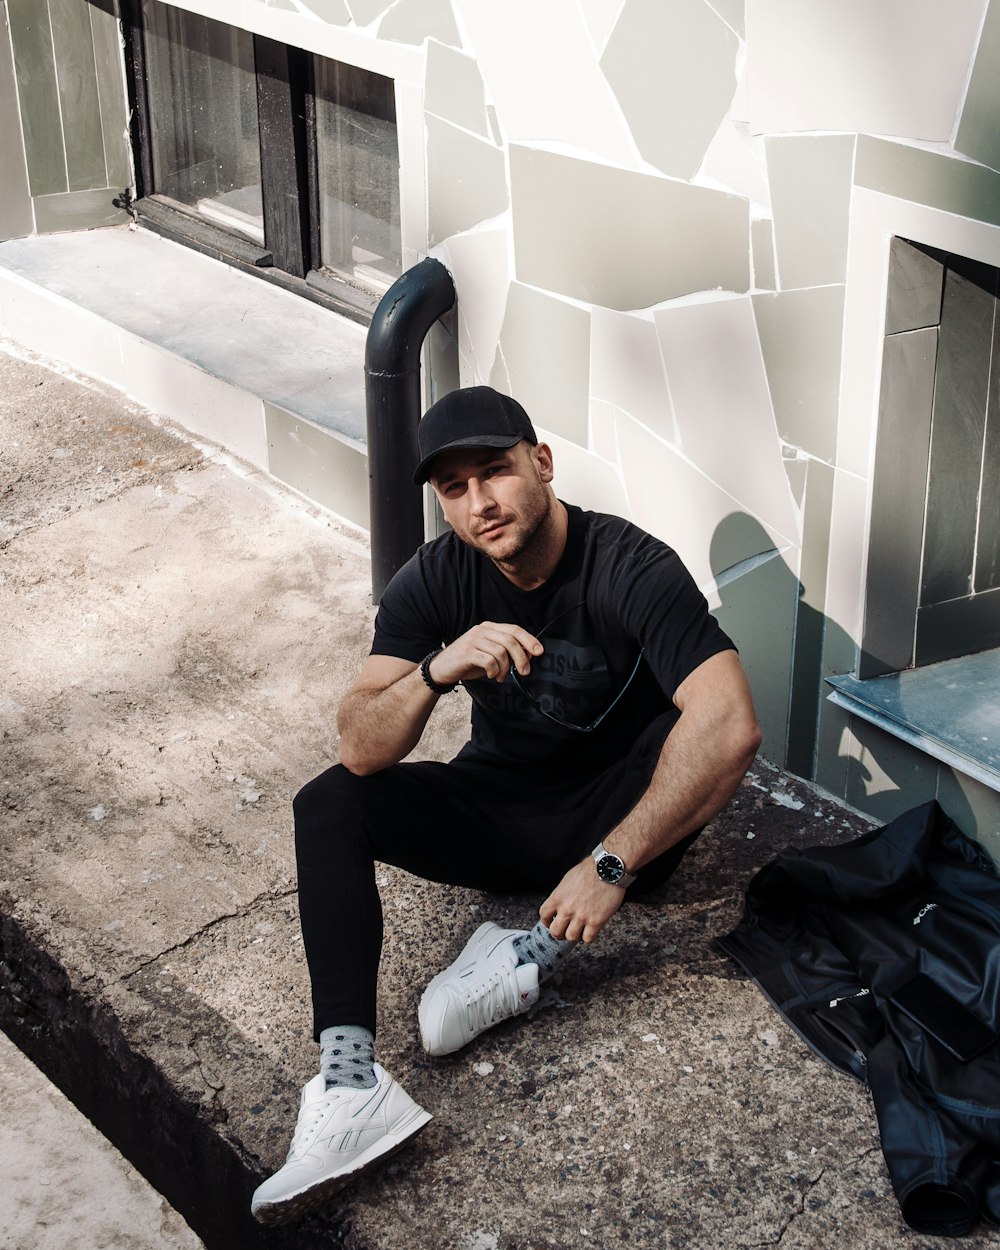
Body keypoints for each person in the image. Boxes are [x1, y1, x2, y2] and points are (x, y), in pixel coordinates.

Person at [251, 386, 761, 1224]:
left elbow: (734, 725)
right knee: (328, 804)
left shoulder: (631, 565)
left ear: (542, 464)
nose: (480, 503)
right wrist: (434, 670)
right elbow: (361, 745)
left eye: (495, 473)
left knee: (691, 725)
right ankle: (349, 1086)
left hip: (613, 823)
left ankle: (526, 953)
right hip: (497, 809)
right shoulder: (439, 578)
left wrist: (610, 865)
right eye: (454, 488)